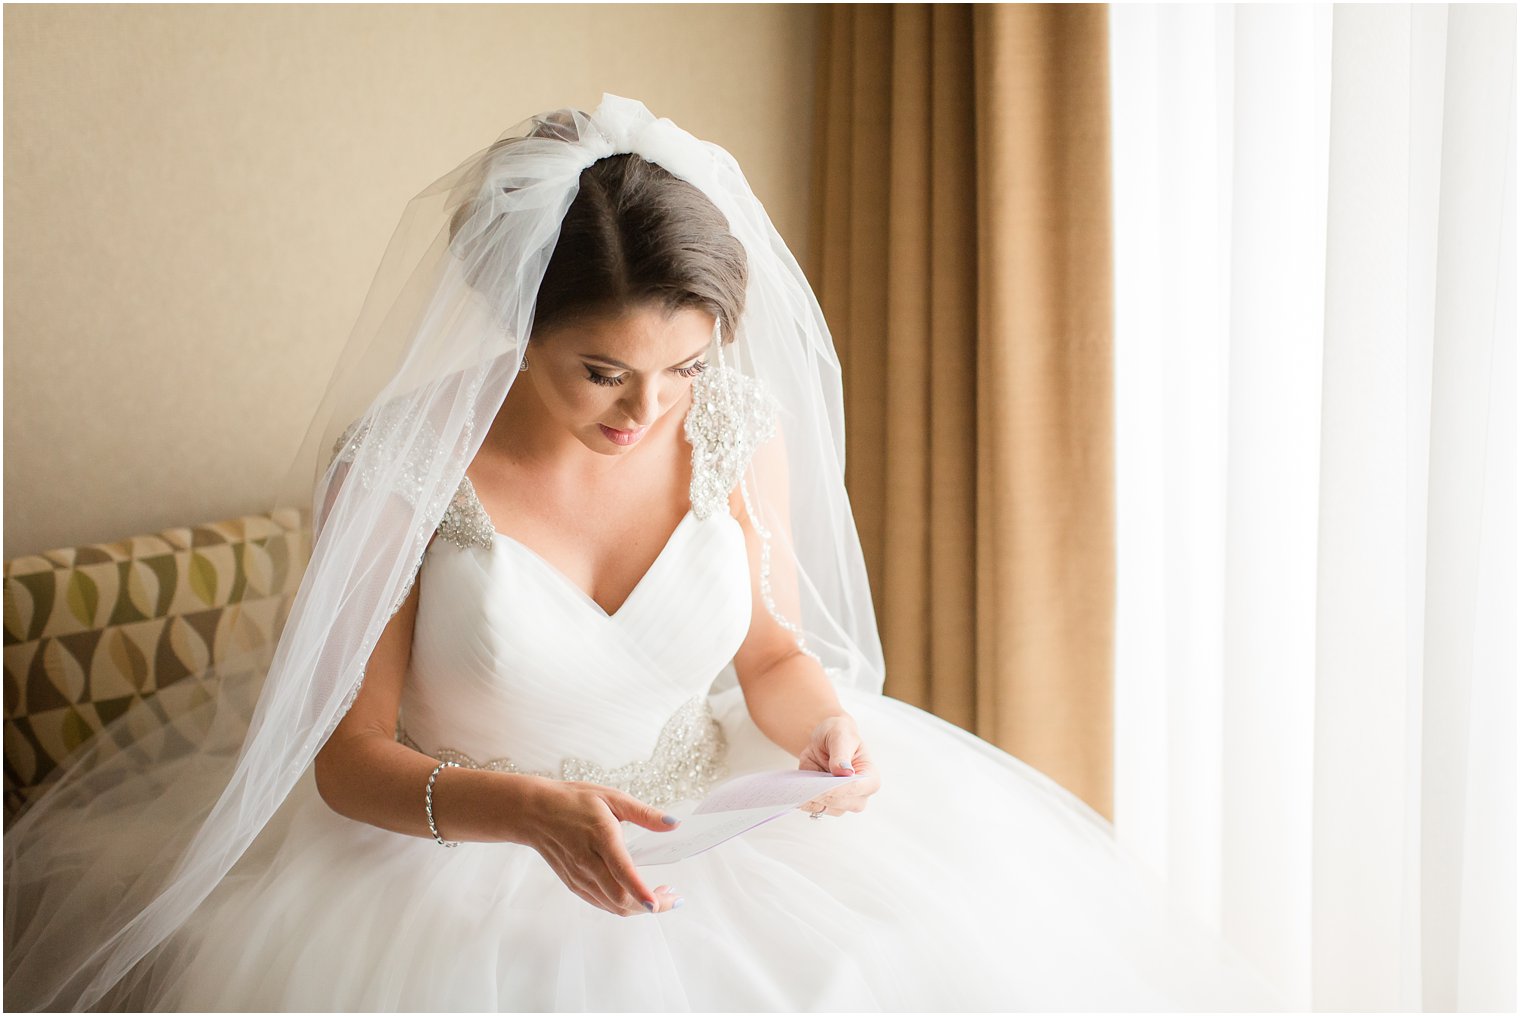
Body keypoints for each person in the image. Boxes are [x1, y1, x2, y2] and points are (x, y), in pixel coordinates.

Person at [4, 95, 1289, 1012]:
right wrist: (524, 810)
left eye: (681, 367)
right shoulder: (399, 468)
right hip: (463, 866)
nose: (645, 413)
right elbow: (346, 755)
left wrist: (819, 729)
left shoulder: (731, 424)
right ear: (518, 324)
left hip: (710, 818)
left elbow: (772, 649)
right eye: (601, 370)